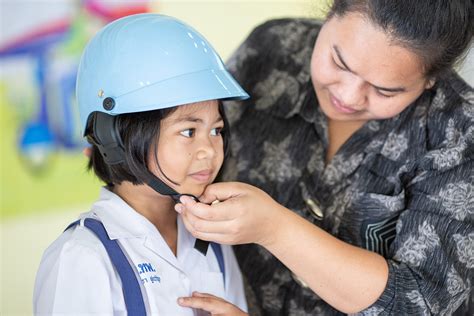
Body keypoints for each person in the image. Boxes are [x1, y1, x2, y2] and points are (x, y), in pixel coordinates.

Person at [176, 0, 473, 315]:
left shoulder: (460, 133)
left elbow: (420, 302)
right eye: (339, 63)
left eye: (385, 91)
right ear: (331, 12)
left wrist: (274, 228)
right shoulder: (274, 49)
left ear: (431, 80)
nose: (347, 96)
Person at [33, 14, 249, 315]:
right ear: (115, 138)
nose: (209, 151)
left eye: (216, 130)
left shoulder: (213, 239)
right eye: (189, 131)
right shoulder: (81, 256)